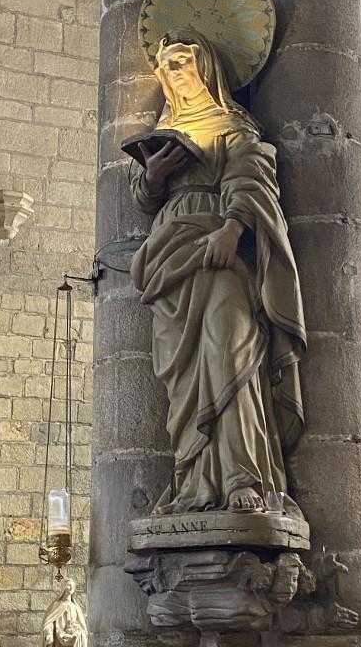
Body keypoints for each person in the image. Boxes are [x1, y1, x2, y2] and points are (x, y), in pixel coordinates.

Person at [130, 28, 306, 516]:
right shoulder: (163, 131)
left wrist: (233, 227)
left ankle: (242, 476)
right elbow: (142, 200)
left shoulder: (232, 123)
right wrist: (154, 174)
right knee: (183, 377)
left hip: (220, 247)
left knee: (232, 349)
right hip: (170, 256)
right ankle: (194, 483)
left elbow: (252, 178)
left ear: (205, 64)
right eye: (167, 66)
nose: (175, 72)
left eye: (183, 60)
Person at [41, 579, 87, 647]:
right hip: (59, 640)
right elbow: (48, 623)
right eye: (69, 585)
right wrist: (48, 634)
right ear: (64, 587)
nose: (71, 588)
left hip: (73, 639)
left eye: (73, 586)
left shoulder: (75, 607)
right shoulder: (56, 605)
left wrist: (78, 632)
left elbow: (82, 628)